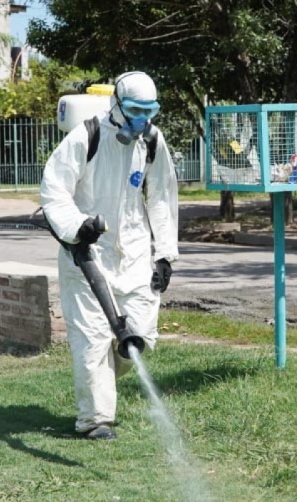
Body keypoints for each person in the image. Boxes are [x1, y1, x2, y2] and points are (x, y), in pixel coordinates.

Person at [40, 71, 179, 440]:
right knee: (92, 339)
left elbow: (163, 195)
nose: (141, 120)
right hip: (88, 253)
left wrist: (165, 254)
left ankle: (104, 387)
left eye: (149, 112)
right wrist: (77, 227)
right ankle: (95, 420)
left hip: (135, 252)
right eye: (135, 110)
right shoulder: (88, 135)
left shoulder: (150, 140)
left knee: (139, 334)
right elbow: (54, 188)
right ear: (117, 104)